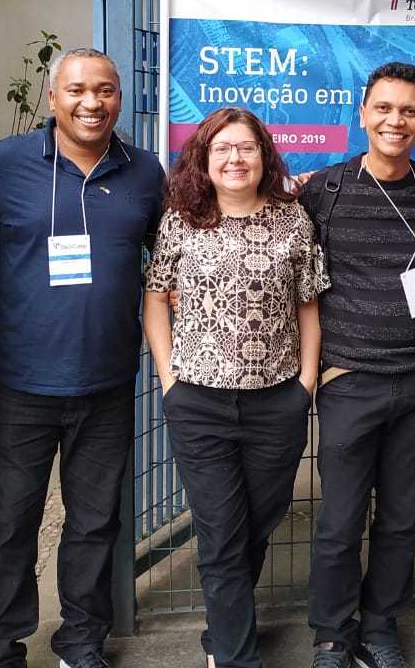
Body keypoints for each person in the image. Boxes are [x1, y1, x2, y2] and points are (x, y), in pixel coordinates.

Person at [0, 47, 164, 668]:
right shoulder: (5, 163)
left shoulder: (145, 172)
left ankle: (81, 641)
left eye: (104, 91)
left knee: (95, 522)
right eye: (77, 90)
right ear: (53, 99)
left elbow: (181, 253)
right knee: (10, 522)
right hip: (23, 382)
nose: (91, 102)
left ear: (118, 100)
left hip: (107, 381)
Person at [143, 107, 329, 668]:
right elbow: (155, 297)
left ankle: (223, 630)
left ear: (264, 155)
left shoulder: (293, 220)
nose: (235, 158)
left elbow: (308, 305)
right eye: (221, 148)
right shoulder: (181, 219)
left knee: (256, 524)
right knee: (222, 534)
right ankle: (235, 656)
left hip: (278, 399)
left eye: (246, 147)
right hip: (199, 400)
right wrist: (168, 377)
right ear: (203, 157)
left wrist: (306, 381)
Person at [300, 62, 415, 668]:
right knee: (338, 521)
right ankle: (333, 633)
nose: (395, 121)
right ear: (361, 114)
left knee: (399, 518)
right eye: (383, 109)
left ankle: (380, 626)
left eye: (409, 111)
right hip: (348, 380)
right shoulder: (323, 190)